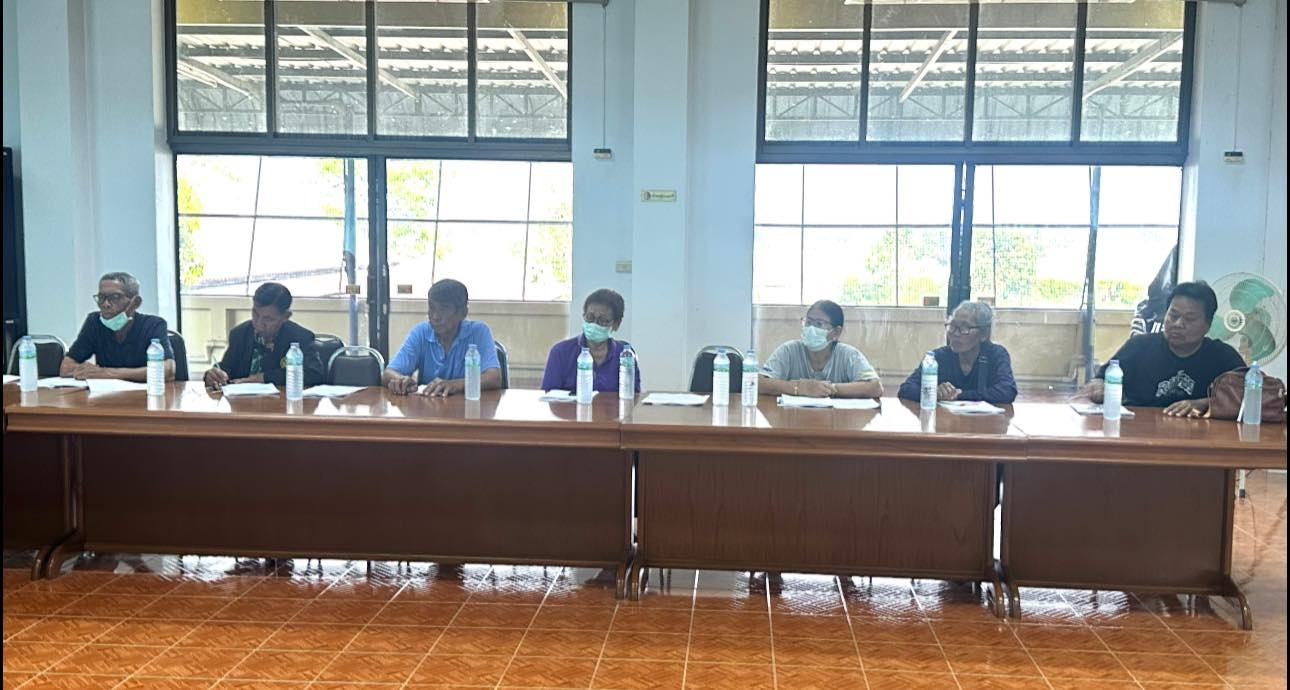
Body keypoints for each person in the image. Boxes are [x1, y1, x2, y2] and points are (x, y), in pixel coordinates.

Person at [1080, 281, 1244, 417]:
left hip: (1200, 438)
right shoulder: (1139, 347)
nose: (1178, 324)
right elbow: (1101, 380)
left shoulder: (1222, 356)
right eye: (1173, 315)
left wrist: (1205, 404)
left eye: (1189, 319)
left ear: (1208, 325)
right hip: (1140, 432)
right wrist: (1098, 387)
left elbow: (1250, 397)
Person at [383, 278, 501, 397]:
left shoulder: (478, 332)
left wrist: (456, 385)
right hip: (428, 406)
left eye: (443, 309)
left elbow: (494, 378)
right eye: (432, 308)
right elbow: (389, 373)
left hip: (468, 406)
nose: (435, 316)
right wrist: (400, 380)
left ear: (463, 313)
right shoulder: (421, 333)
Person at [203, 282, 325, 391]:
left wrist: (264, 378)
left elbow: (314, 374)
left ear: (285, 317)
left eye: (268, 319)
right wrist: (214, 375)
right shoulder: (240, 334)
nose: (259, 324)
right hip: (242, 405)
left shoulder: (300, 337)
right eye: (255, 314)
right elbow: (227, 368)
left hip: (281, 405)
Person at [61, 271, 175, 382]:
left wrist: (106, 373)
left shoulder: (153, 325)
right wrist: (89, 371)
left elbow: (168, 370)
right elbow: (66, 368)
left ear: (135, 303)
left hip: (145, 393)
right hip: (106, 393)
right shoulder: (94, 322)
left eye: (115, 297)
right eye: (101, 297)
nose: (106, 304)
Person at [897, 300, 1017, 405]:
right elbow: (906, 389)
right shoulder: (938, 357)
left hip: (986, 422)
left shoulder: (996, 355)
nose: (955, 333)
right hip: (946, 422)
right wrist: (934, 393)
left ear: (984, 334)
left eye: (964, 328)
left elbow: (1007, 391)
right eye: (952, 326)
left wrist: (959, 395)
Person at [759, 300, 883, 398]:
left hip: (837, 419)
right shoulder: (788, 351)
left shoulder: (848, 355)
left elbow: (875, 387)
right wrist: (799, 388)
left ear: (836, 332)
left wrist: (827, 389)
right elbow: (759, 383)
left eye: (819, 324)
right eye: (808, 322)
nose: (811, 329)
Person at [542, 288, 641, 393]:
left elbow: (634, 395)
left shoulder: (625, 354)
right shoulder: (561, 352)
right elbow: (549, 395)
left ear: (616, 325)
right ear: (584, 315)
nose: (594, 324)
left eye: (602, 320)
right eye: (590, 317)